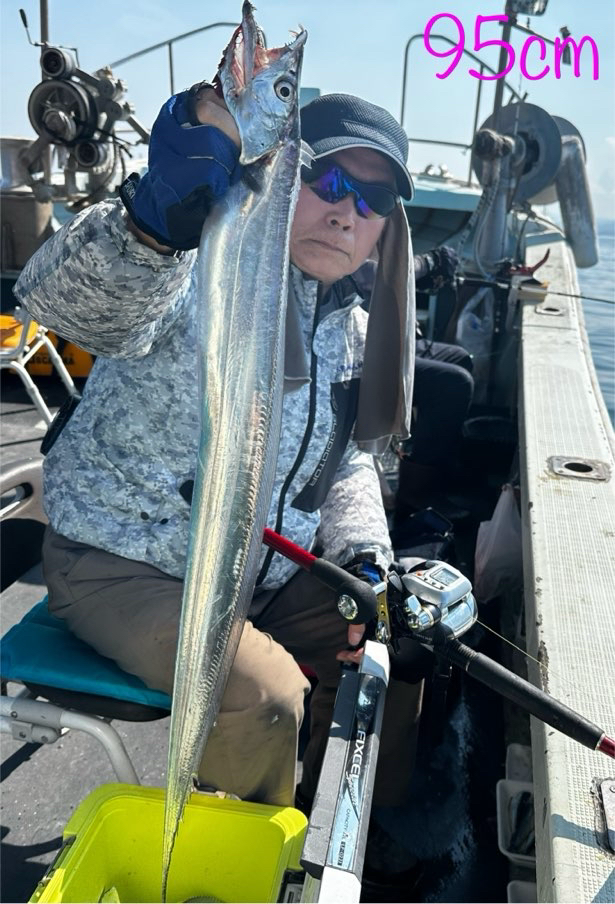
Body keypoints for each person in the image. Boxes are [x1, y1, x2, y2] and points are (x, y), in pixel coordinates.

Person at [14, 87, 422, 834]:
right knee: (263, 693)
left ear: (384, 228)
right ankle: (237, 859)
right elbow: (63, 305)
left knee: (397, 636)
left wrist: (366, 559)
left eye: (372, 201)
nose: (346, 212)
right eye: (329, 179)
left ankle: (357, 835)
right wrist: (149, 226)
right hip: (121, 563)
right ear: (281, 175)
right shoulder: (198, 264)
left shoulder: (353, 330)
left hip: (260, 572)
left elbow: (346, 465)